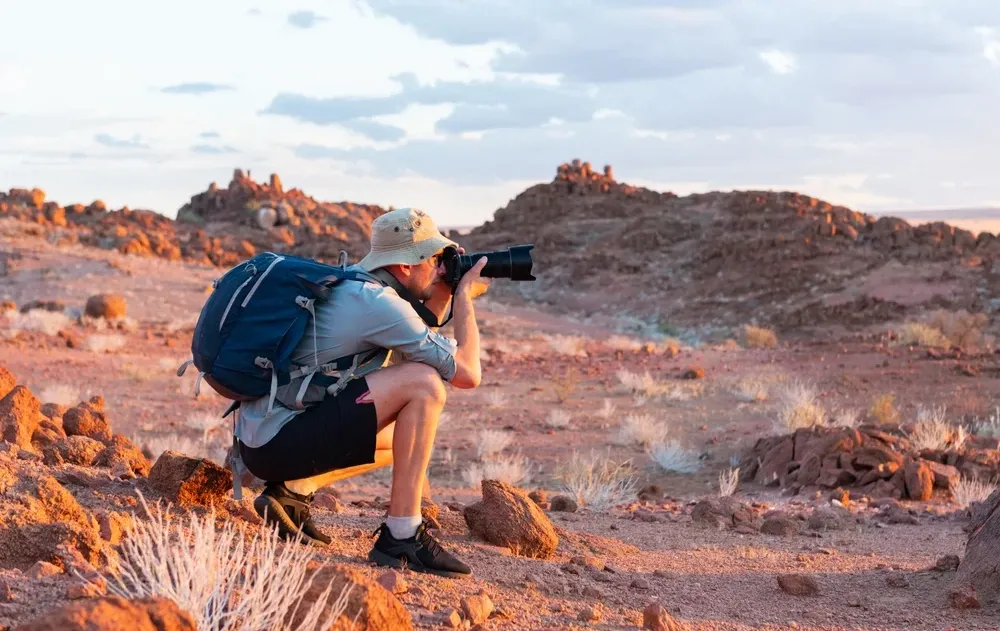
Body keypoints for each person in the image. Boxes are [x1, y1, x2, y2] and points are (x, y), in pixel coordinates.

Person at [232, 207, 489, 578]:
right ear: (404, 267)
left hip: (265, 438)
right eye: (433, 260)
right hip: (277, 442)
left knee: (408, 435)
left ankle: (290, 491)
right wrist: (464, 296)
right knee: (424, 385)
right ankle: (402, 536)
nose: (439, 268)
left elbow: (413, 346)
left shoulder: (359, 285)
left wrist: (443, 291)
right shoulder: (379, 305)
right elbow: (467, 374)